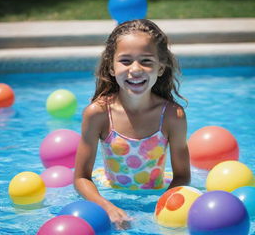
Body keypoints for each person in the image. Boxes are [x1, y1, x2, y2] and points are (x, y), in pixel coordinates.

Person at [74, 19, 190, 230]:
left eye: (146, 61)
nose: (135, 69)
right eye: (125, 61)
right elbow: (81, 177)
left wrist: (162, 205)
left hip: (157, 194)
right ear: (111, 67)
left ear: (161, 67)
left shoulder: (173, 116)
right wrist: (106, 206)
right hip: (110, 194)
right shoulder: (98, 114)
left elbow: (182, 176)